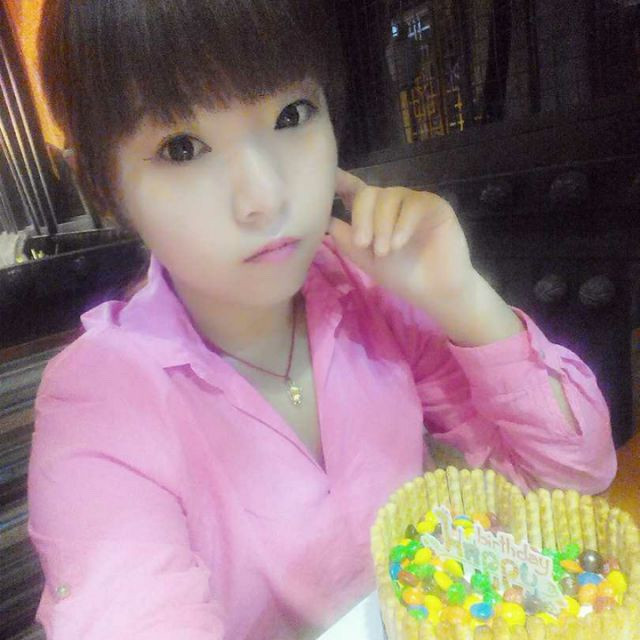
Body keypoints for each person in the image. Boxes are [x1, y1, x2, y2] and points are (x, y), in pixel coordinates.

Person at [27, 1, 616, 639]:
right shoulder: (99, 401)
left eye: (292, 114)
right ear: (104, 187)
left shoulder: (365, 291)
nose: (266, 197)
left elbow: (571, 483)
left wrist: (464, 299)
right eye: (182, 147)